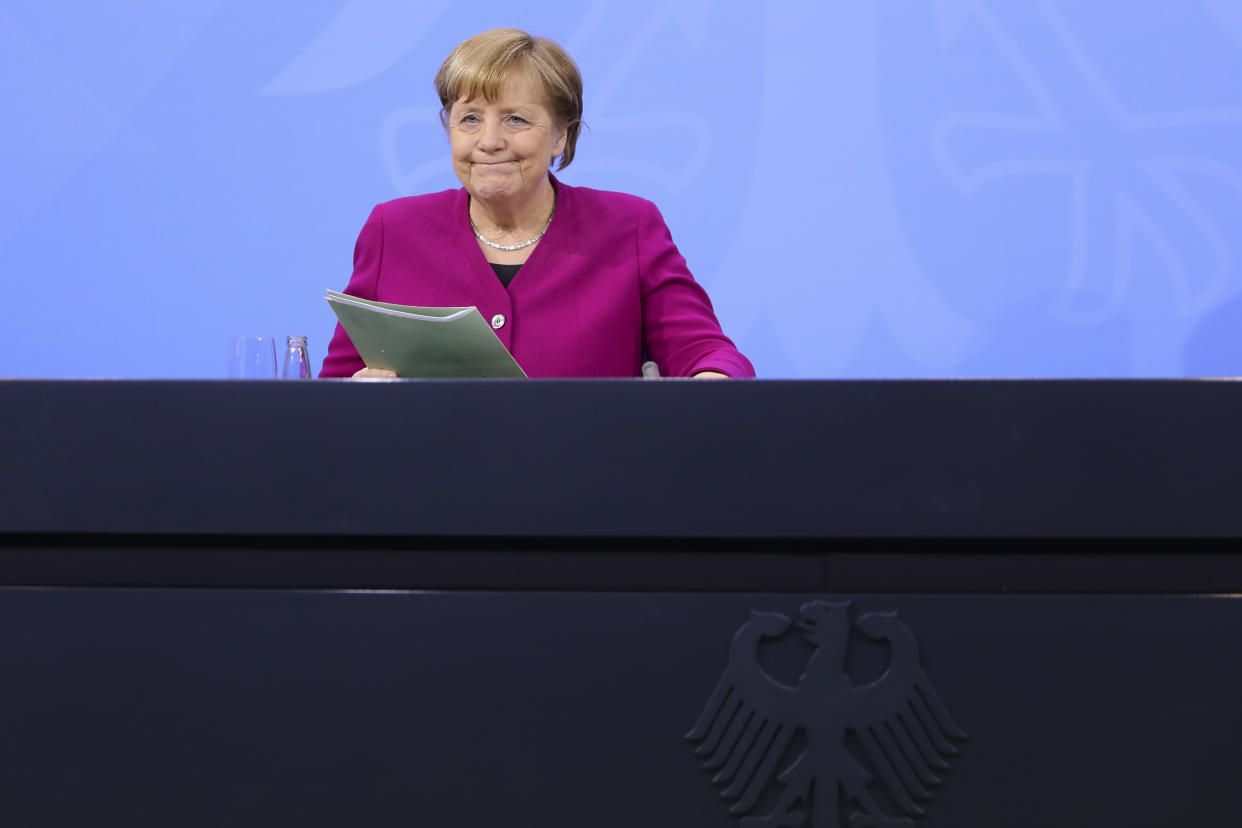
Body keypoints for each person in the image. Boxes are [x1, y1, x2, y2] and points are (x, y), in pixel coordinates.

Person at [320, 27, 754, 379]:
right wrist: (358, 391)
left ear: (560, 135)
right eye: (470, 118)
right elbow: (336, 385)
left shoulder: (629, 227)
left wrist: (711, 382)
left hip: (585, 481)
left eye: (515, 119)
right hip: (433, 481)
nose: (489, 142)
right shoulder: (392, 230)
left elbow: (707, 352)